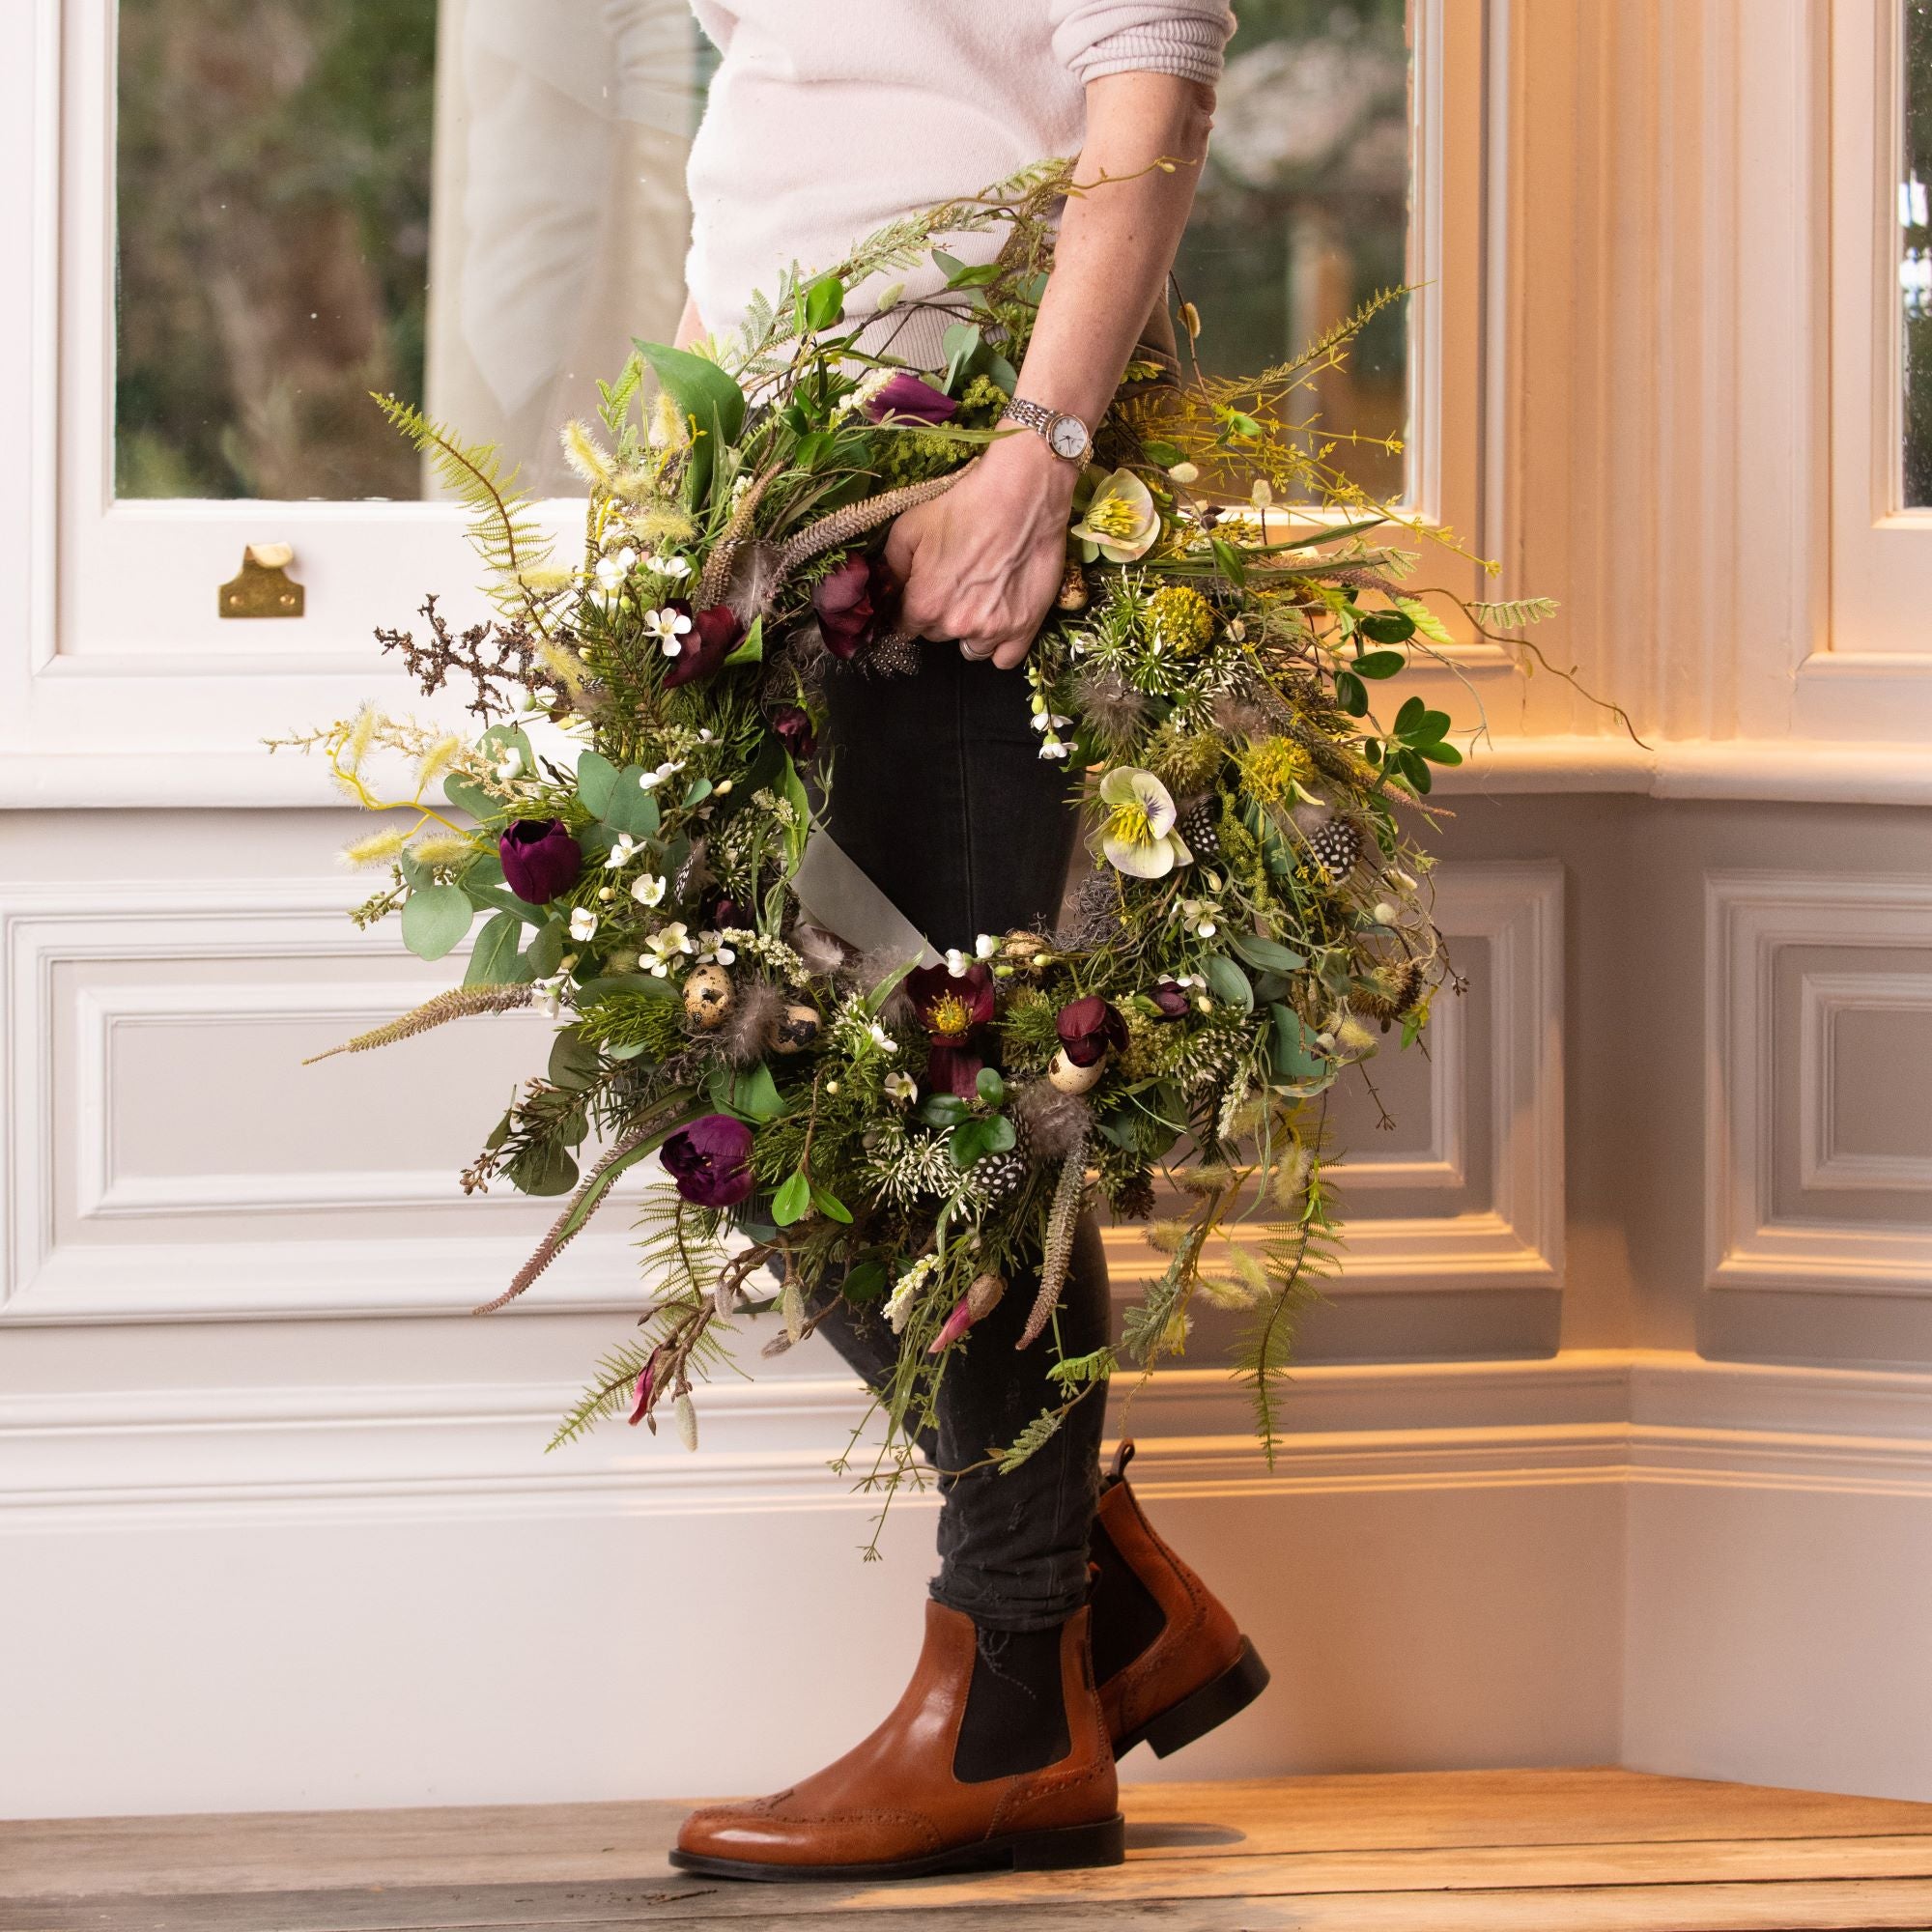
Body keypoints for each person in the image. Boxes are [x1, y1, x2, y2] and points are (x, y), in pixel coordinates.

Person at [667, 0, 1268, 1883]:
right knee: (723, 1062)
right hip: (778, 517)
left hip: (962, 517)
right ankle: (1088, 1597)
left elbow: (1148, 82)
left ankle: (1016, 1699)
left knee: (955, 1111)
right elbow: (784, 127)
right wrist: (679, 492)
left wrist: (1036, 455)